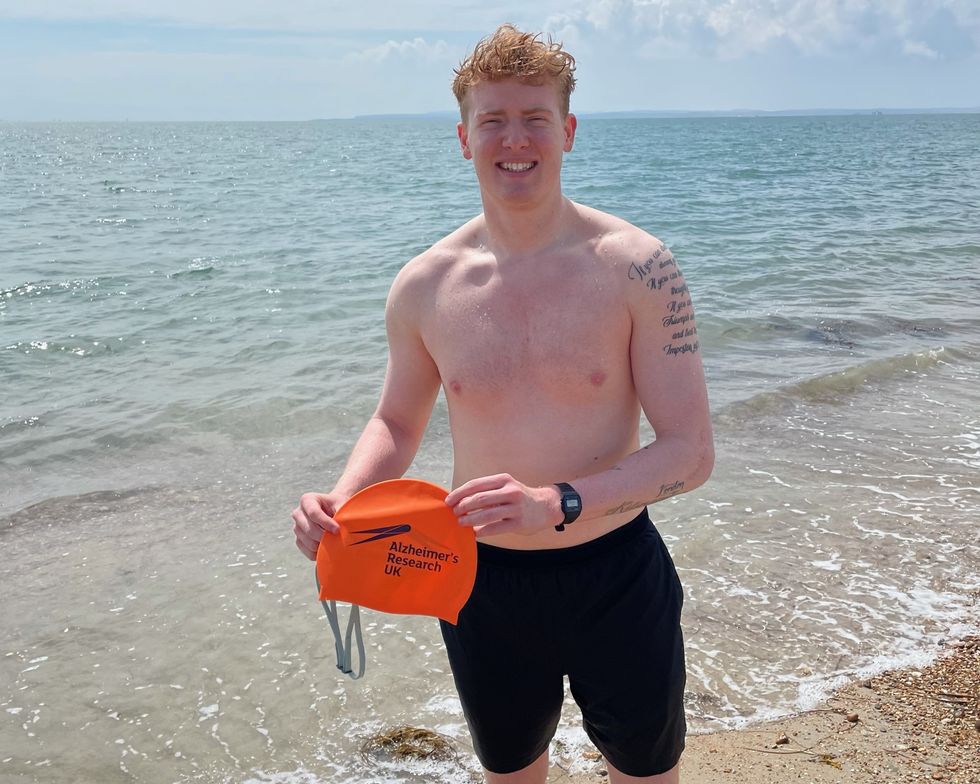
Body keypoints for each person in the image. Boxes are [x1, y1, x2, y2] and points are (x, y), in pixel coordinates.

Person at [292, 23, 714, 784]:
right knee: (512, 772)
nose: (513, 140)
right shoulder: (425, 285)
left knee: (646, 774)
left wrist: (559, 501)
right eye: (493, 121)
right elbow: (396, 421)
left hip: (616, 571)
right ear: (463, 138)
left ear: (568, 131)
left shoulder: (638, 268)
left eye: (534, 119)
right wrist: (342, 499)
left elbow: (690, 451)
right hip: (477, 580)